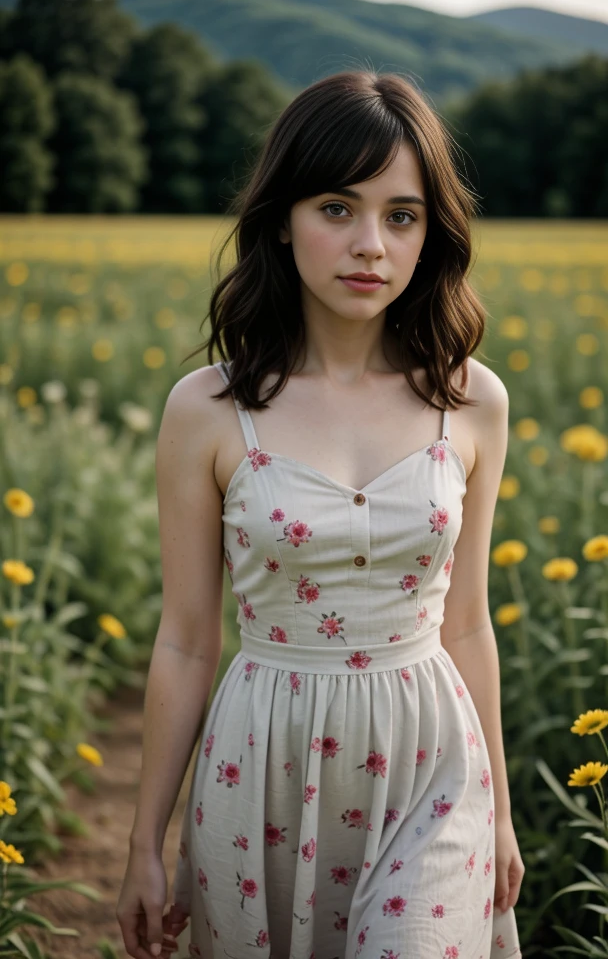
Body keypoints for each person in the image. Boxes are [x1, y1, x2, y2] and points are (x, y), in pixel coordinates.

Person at [117, 69, 525, 959]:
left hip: (432, 760)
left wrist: (499, 811)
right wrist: (145, 842)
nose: (370, 243)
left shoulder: (474, 403)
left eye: (402, 215)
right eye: (337, 208)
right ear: (282, 219)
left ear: (431, 235)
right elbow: (187, 637)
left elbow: (466, 624)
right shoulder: (209, 410)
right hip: (262, 761)